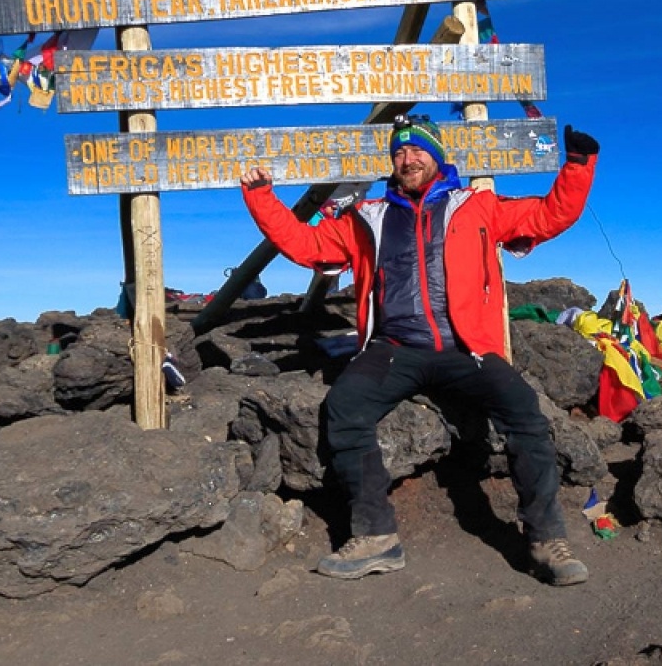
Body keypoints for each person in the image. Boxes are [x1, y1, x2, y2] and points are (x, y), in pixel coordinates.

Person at [240, 115, 599, 584]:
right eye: (398, 153)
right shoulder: (367, 217)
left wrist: (577, 163)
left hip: (465, 347)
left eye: (417, 150)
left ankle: (546, 540)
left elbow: (550, 214)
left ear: (437, 156)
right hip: (394, 347)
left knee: (525, 413)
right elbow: (306, 244)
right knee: (345, 405)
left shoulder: (477, 206)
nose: (407, 159)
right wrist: (261, 196)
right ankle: (376, 537)